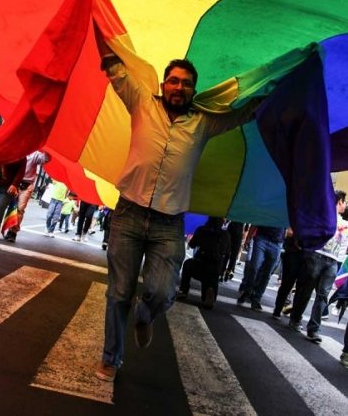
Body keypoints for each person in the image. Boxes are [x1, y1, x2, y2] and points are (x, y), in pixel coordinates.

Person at [93, 33, 262, 382]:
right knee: (119, 292)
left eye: (186, 84)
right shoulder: (141, 102)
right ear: (163, 84)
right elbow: (113, 65)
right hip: (128, 214)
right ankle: (111, 358)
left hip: (169, 224)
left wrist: (279, 80)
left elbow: (245, 110)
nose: (179, 87)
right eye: (174, 81)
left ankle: (145, 315)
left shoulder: (204, 122)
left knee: (162, 291)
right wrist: (94, 14)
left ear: (193, 92)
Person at [289, 190, 348, 342]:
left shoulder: (344, 223)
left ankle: (313, 329)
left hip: (333, 262)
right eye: (345, 202)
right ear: (339, 201)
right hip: (316, 256)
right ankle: (295, 319)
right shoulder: (323, 215)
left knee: (322, 295)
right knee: (305, 290)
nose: (346, 205)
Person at [176, 216, 230, 308]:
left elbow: (192, 245)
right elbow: (227, 253)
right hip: (215, 270)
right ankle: (209, 291)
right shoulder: (226, 235)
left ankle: (183, 290)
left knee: (187, 264)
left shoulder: (201, 230)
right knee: (209, 285)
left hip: (199, 265)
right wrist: (224, 270)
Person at [4, 151, 49, 242]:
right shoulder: (18, 151)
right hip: (13, 183)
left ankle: (13, 232)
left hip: (26, 185)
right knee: (4, 206)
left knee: (20, 209)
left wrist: (48, 148)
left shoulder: (35, 154)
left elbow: (45, 159)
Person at [237, 225, 285, 311]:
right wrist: (248, 237)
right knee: (254, 267)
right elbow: (256, 220)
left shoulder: (288, 213)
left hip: (277, 243)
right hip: (262, 238)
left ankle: (256, 298)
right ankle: (247, 291)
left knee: (267, 274)